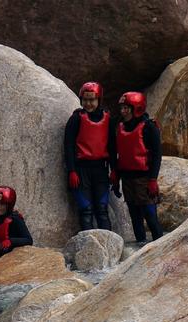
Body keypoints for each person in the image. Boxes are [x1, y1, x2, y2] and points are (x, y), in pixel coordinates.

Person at [111, 91, 164, 244]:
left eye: (127, 108)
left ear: (137, 108)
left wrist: (153, 179)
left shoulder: (149, 127)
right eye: (122, 108)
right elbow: (115, 151)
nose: (123, 111)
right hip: (127, 178)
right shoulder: (119, 125)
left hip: (144, 178)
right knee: (134, 214)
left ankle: (160, 243)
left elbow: (157, 155)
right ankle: (141, 243)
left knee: (149, 213)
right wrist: (115, 173)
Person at [64, 81, 115, 231]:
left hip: (101, 170)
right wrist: (71, 171)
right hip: (81, 170)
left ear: (99, 100)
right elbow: (68, 146)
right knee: (86, 210)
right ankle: (89, 247)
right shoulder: (76, 119)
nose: (88, 103)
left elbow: (112, 146)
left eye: (92, 100)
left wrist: (115, 170)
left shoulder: (107, 119)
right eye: (85, 100)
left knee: (102, 210)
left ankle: (109, 246)